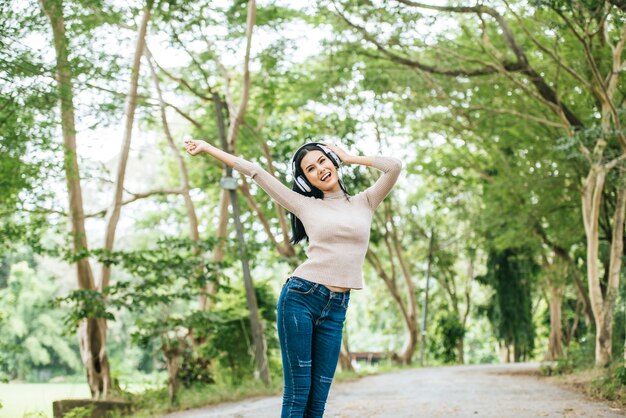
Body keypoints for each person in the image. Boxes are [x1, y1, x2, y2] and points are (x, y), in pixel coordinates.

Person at [184, 138, 402, 417]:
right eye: (310, 169)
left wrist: (348, 157)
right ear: (306, 180)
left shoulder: (366, 202)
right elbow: (255, 172)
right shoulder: (304, 205)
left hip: (337, 308)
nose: (320, 169)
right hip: (301, 298)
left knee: (318, 400)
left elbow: (394, 167)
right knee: (298, 394)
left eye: (322, 161)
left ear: (332, 162)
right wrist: (207, 147)